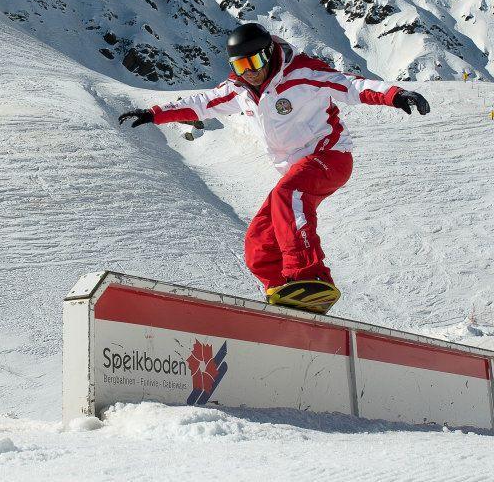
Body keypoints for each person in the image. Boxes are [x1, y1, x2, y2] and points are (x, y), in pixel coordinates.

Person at [118, 22, 429, 313]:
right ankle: (282, 294)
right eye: (240, 66)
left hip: (330, 156)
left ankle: (310, 276)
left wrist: (395, 95)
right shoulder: (238, 89)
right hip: (298, 169)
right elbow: (201, 102)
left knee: (288, 195)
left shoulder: (302, 73)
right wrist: (153, 114)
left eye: (252, 63)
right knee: (258, 243)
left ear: (267, 54)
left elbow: (351, 85)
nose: (248, 73)